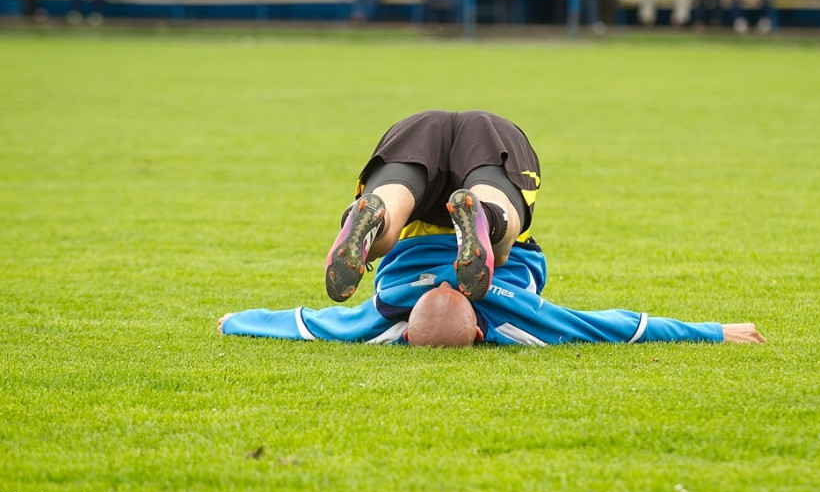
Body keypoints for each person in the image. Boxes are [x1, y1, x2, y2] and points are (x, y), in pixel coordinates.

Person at [219, 110, 767, 347]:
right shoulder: (384, 316)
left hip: (424, 132)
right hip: (459, 138)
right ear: (478, 330)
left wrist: (234, 322)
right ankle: (462, 219)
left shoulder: (508, 317)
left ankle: (387, 219)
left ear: (409, 332)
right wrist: (236, 322)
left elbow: (615, 326)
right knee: (465, 225)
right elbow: (306, 323)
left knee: (484, 233)